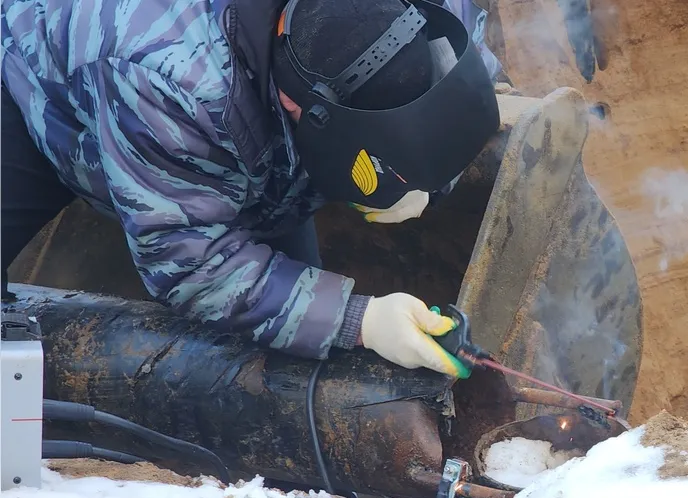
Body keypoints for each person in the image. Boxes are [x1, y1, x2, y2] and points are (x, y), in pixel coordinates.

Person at [0, 0, 500, 378]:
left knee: (297, 342)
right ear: (295, 104)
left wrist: (429, 175)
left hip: (239, 135)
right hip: (35, 82)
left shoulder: (412, 14)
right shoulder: (176, 80)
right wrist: (360, 320)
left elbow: (464, 56)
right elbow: (193, 261)